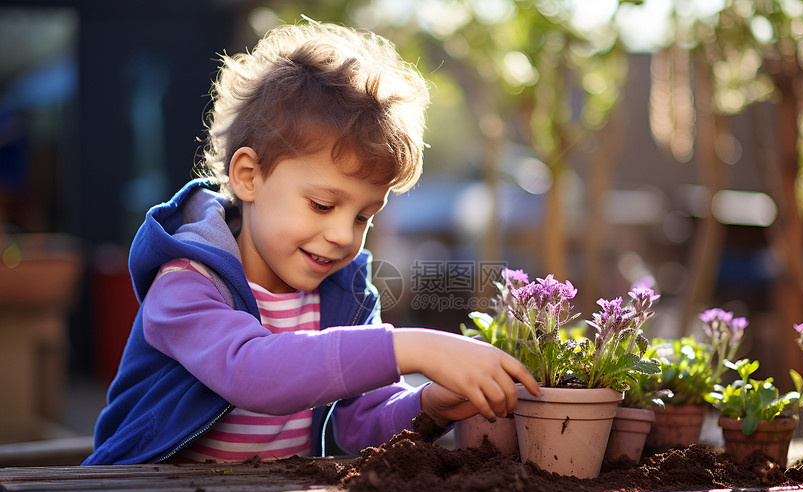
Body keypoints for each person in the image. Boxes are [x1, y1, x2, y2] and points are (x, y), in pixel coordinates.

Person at [84, 21, 539, 465]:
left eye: (363, 216)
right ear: (249, 177)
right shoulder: (186, 281)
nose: (344, 236)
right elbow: (250, 372)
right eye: (322, 205)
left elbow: (359, 426)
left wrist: (429, 406)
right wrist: (412, 348)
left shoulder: (344, 294)